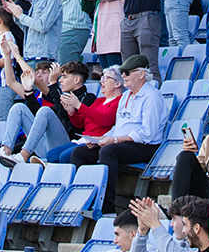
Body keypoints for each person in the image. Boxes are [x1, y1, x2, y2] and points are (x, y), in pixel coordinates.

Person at [71, 54, 168, 212]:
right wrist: (101, 139)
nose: (123, 76)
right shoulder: (126, 95)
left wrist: (114, 140)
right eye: (123, 73)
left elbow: (147, 134)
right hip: (123, 142)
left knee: (108, 151)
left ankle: (107, 206)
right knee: (80, 153)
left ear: (142, 74)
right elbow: (118, 127)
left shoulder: (151, 97)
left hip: (146, 146)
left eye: (127, 73)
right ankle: (84, 200)